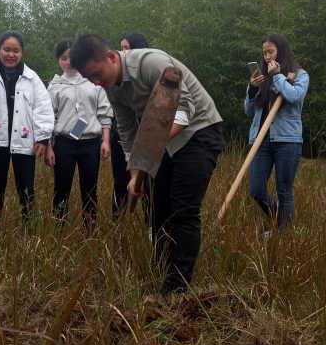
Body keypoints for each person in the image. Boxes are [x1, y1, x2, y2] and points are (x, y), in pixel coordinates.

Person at [70, 34, 223, 295]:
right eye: (90, 79)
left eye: (97, 74)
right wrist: (134, 174)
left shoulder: (151, 63)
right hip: (160, 137)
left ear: (109, 57)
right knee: (157, 208)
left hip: (198, 132)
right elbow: (128, 133)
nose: (96, 83)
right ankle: (160, 270)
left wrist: (152, 148)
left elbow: (186, 110)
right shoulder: (111, 86)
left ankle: (176, 290)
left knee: (183, 209)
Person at [0, 31, 53, 222]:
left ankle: (29, 228)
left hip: (25, 140)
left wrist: (43, 137)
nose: (11, 55)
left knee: (26, 187)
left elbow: (43, 108)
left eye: (16, 51)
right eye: (6, 50)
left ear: (22, 53)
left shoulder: (32, 78)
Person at [44, 39, 112, 226]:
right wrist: (48, 147)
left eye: (72, 57)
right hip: (64, 143)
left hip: (90, 143)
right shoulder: (55, 86)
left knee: (90, 189)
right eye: (63, 58)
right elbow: (49, 118)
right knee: (61, 189)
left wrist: (105, 141)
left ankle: (90, 228)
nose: (68, 61)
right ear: (59, 60)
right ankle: (60, 228)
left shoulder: (94, 82)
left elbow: (104, 114)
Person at [245, 33, 309, 230]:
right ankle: (280, 220)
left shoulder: (299, 75)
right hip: (261, 140)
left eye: (270, 52)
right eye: (264, 53)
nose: (266, 57)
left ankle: (283, 236)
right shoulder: (262, 78)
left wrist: (278, 77)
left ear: (281, 52)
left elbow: (293, 96)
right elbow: (248, 111)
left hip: (287, 140)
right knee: (256, 189)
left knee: (284, 191)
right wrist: (252, 89)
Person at [112, 33, 149, 217]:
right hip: (124, 138)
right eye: (121, 48)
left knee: (150, 186)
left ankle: (152, 225)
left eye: (126, 48)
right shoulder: (116, 84)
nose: (122, 53)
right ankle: (118, 219)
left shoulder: (148, 73)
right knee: (121, 181)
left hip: (151, 139)